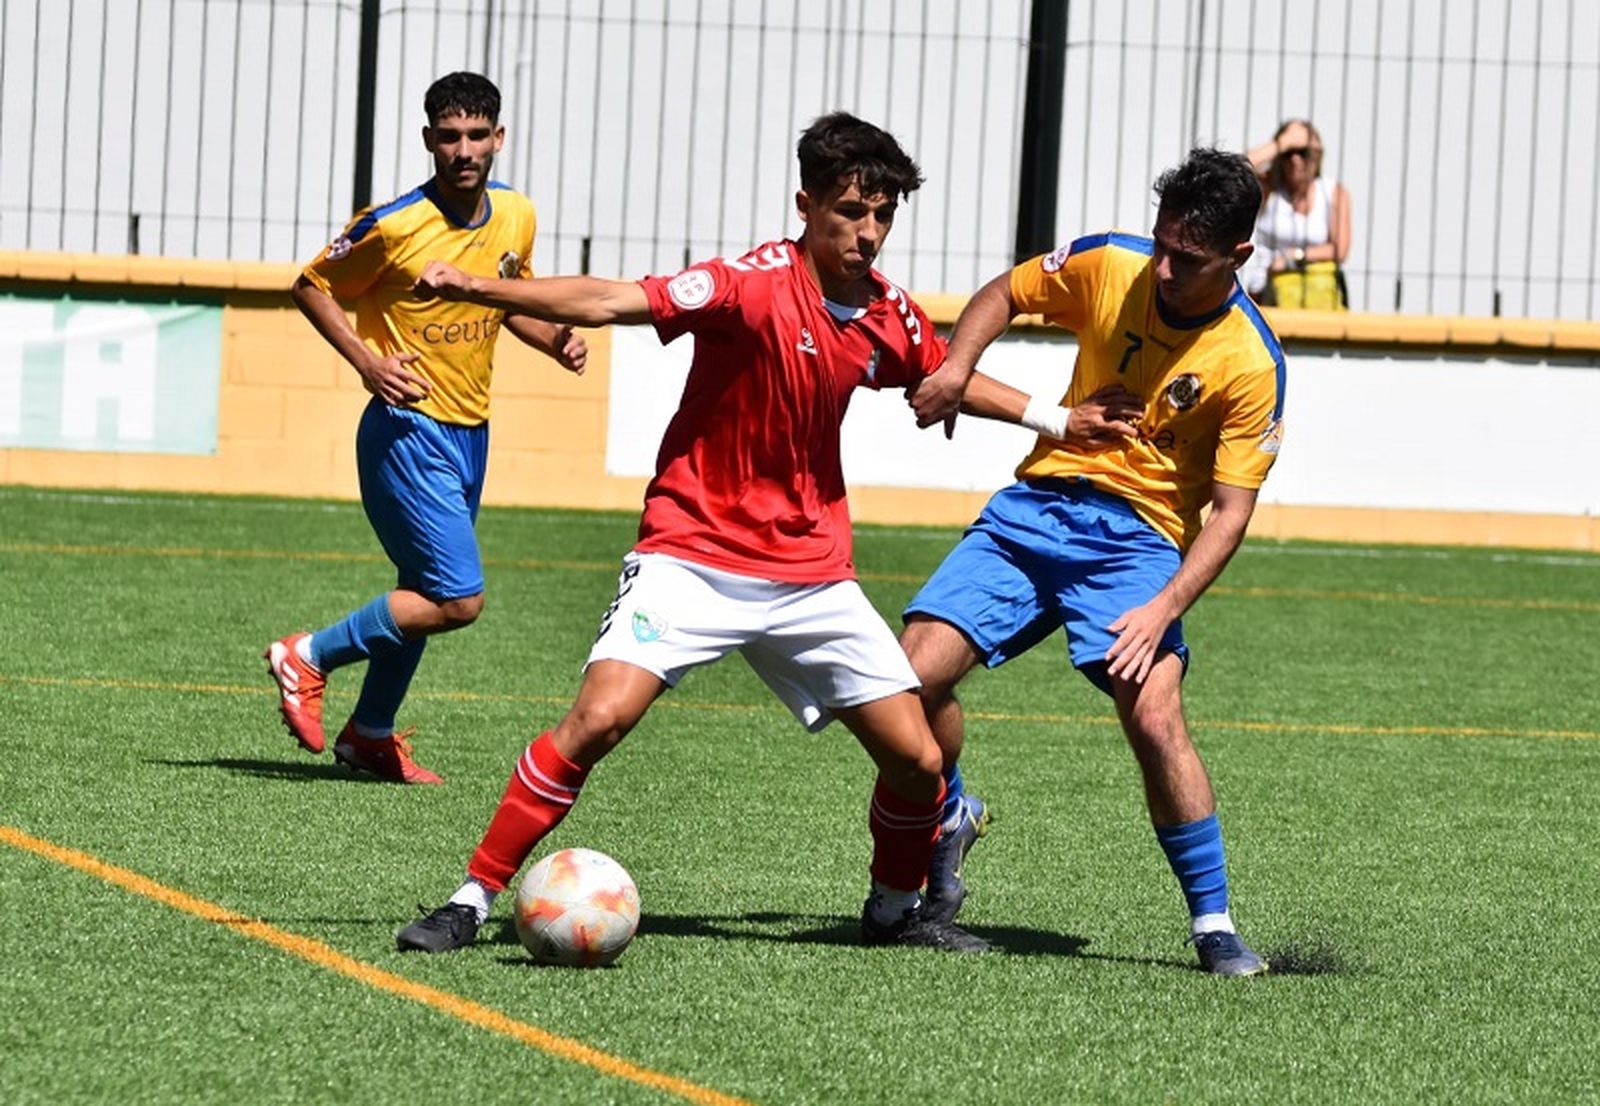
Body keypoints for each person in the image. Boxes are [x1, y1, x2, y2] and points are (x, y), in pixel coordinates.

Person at [392, 112, 989, 954]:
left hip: (812, 571)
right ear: (805, 204)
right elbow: (606, 300)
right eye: (849, 212)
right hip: (692, 555)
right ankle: (472, 896)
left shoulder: (885, 311)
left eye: (882, 215)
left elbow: (942, 373)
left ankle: (894, 911)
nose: (868, 232)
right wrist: (477, 286)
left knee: (919, 761)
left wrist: (1056, 417)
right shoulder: (746, 284)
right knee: (597, 720)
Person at [904, 148, 1285, 976]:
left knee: (1153, 715)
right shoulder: (1112, 263)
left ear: (1239, 258)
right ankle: (952, 809)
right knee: (910, 682)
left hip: (1139, 543)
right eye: (1164, 246)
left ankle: (1213, 924)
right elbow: (1005, 291)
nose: (1168, 267)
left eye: (1190, 258)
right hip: (1036, 508)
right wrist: (957, 367)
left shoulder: (1251, 363)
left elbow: (1229, 514)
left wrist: (1162, 608)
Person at [263, 72, 587, 784]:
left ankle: (370, 734)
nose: (463, 150)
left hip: (472, 430)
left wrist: (553, 338)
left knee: (421, 590)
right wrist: (366, 362)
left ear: (499, 138)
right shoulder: (396, 224)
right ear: (428, 141)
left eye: (477, 136)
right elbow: (310, 285)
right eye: (449, 137)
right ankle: (307, 656)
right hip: (407, 429)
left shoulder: (515, 214)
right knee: (457, 597)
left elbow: (507, 297)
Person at [1243, 118, 1352, 309]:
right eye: (1288, 153)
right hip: (1263, 294)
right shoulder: (1269, 187)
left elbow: (1339, 249)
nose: (1295, 159)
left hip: (1315, 296)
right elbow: (1239, 168)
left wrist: (1292, 257)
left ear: (1316, 156)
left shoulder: (1333, 192)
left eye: (1303, 152)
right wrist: (1284, 142)